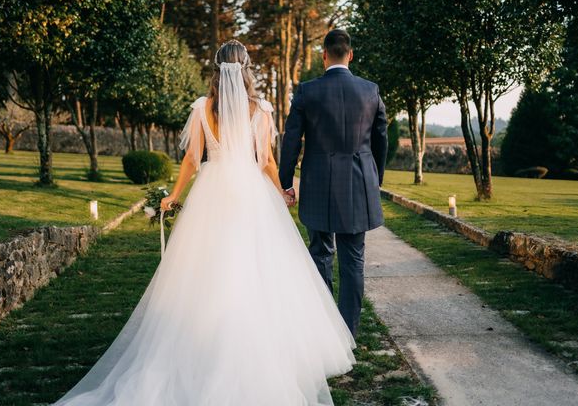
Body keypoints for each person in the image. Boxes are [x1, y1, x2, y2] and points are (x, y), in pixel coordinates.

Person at [52, 40, 355, 406]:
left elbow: (192, 160)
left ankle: (202, 342)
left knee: (207, 270)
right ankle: (252, 346)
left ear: (216, 70)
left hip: (212, 191)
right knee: (254, 268)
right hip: (248, 192)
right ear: (245, 69)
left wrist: (175, 196)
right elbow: (266, 161)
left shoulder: (202, 108)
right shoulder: (260, 109)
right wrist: (283, 192)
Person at [279, 29, 388, 337]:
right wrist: (374, 178)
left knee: (321, 253)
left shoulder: (307, 91)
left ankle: (325, 330)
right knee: (354, 258)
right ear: (350, 55)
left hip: (317, 184)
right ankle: (348, 332)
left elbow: (291, 140)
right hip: (358, 183)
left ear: (324, 55)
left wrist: (286, 180)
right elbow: (381, 138)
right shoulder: (370, 90)